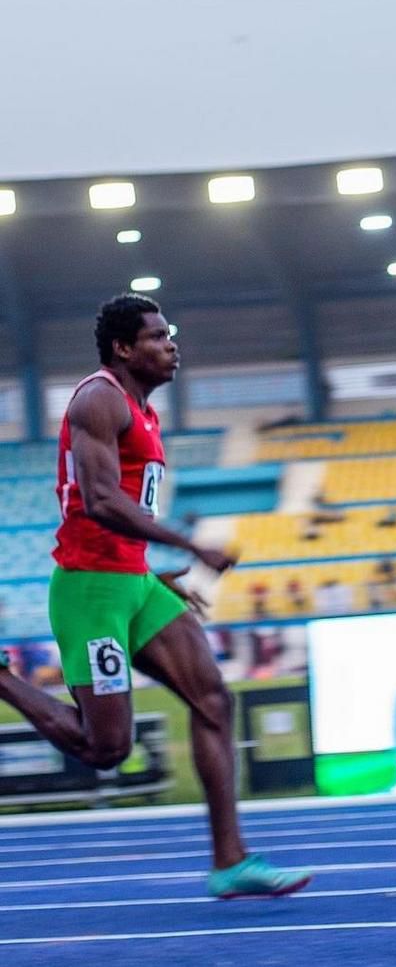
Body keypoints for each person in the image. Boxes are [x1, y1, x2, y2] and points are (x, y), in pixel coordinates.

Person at [0, 294, 311, 897]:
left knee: (215, 701)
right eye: (158, 337)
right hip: (92, 591)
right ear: (123, 348)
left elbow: (125, 508)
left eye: (171, 336)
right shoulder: (98, 399)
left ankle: (231, 862)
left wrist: (152, 571)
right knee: (106, 748)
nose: (172, 346)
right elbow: (101, 500)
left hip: (135, 584)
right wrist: (190, 547)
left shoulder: (144, 412)